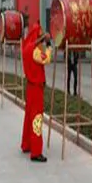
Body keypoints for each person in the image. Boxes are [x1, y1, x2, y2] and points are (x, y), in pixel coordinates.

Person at [21, 23, 52, 162]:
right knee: (37, 118)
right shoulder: (35, 51)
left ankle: (26, 144)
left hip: (30, 87)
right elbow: (47, 59)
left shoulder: (26, 48)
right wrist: (49, 45)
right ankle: (36, 151)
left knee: (29, 116)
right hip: (36, 88)